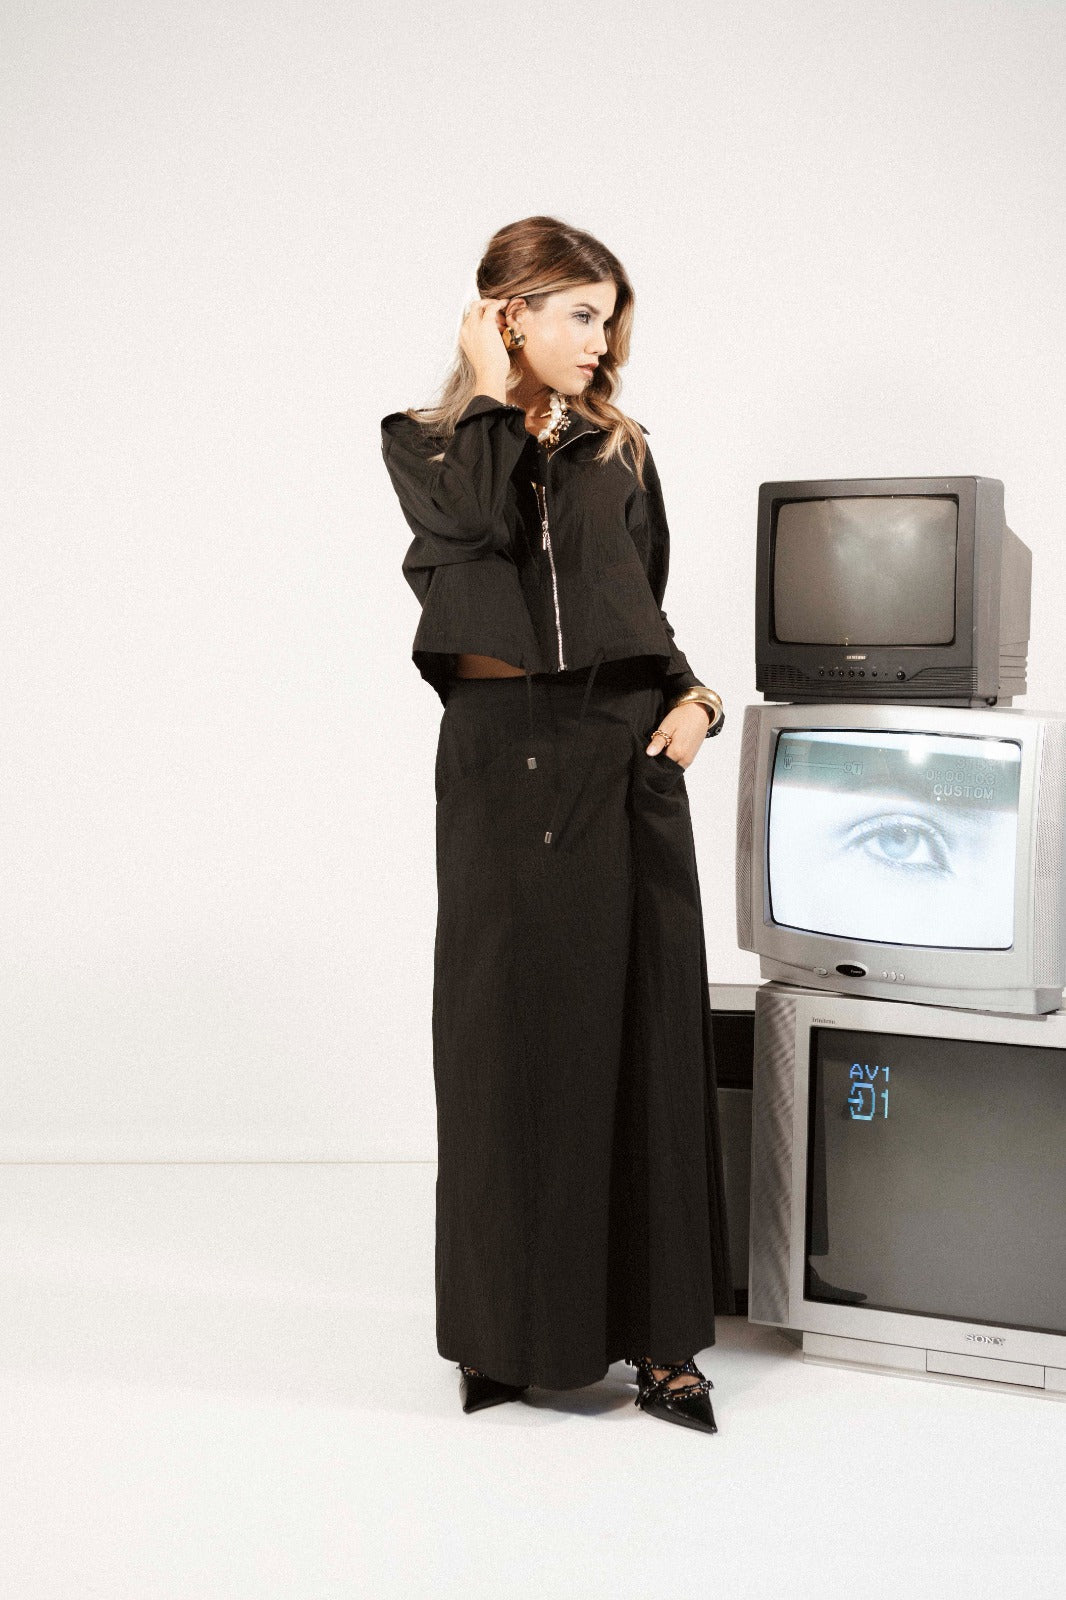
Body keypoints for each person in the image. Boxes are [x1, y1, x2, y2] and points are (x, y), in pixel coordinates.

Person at [380, 215, 734, 1435]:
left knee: (642, 1040)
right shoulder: (427, 440)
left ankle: (663, 1345)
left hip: (620, 751)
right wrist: (489, 392)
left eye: (609, 318)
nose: (602, 341)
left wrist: (693, 698)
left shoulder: (619, 448)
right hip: (496, 758)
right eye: (579, 313)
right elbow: (473, 525)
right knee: (503, 1045)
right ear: (508, 313)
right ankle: (505, 1334)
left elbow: (639, 602)